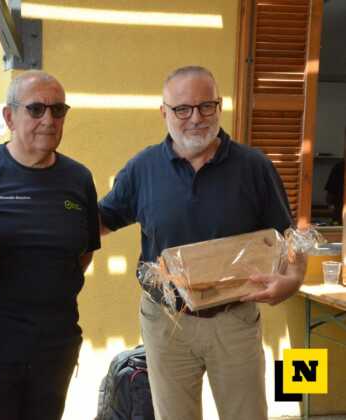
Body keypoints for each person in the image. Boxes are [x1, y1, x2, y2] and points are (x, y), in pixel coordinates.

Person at [98, 66, 306, 420]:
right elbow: (101, 221)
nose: (195, 118)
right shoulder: (143, 168)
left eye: (206, 106)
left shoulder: (254, 166)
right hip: (166, 322)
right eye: (182, 109)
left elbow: (289, 238)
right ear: (164, 112)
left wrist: (294, 279)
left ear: (219, 106)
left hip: (234, 319)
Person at [0, 70, 101, 420]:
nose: (49, 120)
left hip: (55, 346)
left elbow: (83, 252)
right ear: (9, 117)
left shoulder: (79, 178)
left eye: (58, 110)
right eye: (36, 109)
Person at [324, 127, 346, 224]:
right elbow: (329, 196)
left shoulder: (339, 167)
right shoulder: (339, 168)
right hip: (339, 217)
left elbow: (329, 197)